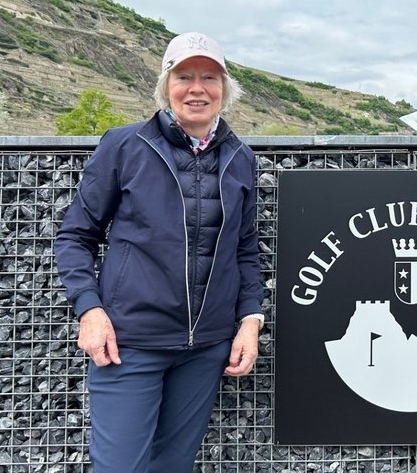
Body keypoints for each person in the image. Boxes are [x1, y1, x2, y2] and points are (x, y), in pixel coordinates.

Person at [54, 32, 264, 472]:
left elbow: (244, 250)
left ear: (224, 88)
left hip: (206, 348)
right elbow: (75, 235)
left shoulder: (240, 158)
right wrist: (90, 311)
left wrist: (250, 321)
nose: (196, 88)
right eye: (184, 76)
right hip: (129, 344)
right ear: (166, 85)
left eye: (209, 77)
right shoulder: (125, 145)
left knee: (173, 466)